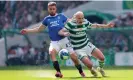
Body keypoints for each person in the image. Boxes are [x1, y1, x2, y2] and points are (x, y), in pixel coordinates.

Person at [20, 2, 85, 78]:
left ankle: (81, 72)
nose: (52, 10)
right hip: (54, 42)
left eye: (53, 9)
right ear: (48, 9)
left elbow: (69, 21)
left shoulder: (61, 16)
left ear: (55, 9)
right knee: (51, 52)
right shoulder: (47, 19)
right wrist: (27, 31)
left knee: (74, 58)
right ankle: (59, 72)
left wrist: (77, 22)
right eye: (50, 9)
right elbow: (38, 29)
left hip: (64, 40)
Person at [58, 11, 114, 77]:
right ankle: (91, 70)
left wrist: (106, 26)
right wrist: (64, 33)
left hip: (87, 44)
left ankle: (100, 69)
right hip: (78, 49)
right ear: (75, 18)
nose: (81, 20)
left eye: (82, 18)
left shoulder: (85, 22)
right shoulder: (70, 24)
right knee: (90, 65)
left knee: (102, 58)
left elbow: (95, 25)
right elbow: (60, 31)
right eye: (79, 18)